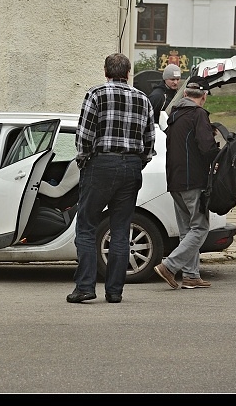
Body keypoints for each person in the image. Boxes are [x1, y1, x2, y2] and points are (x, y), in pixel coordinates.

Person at [67, 53, 155, 304]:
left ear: (105, 71)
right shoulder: (143, 99)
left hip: (101, 163)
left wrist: (85, 160)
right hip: (131, 165)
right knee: (120, 229)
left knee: (86, 227)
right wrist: (139, 161)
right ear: (128, 73)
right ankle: (114, 291)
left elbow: (84, 136)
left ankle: (85, 287)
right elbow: (150, 140)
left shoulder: (96, 94)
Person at [154, 76, 219, 290]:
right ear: (204, 96)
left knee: (186, 231)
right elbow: (206, 147)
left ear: (184, 94)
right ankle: (169, 266)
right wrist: (217, 158)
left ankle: (191, 276)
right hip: (193, 180)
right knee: (200, 228)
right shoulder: (198, 114)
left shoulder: (175, 114)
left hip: (174, 180)